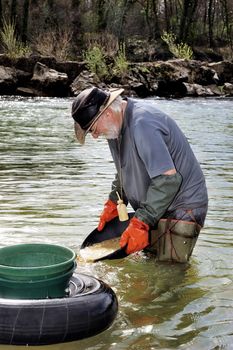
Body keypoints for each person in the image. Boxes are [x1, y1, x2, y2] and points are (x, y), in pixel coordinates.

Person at [71, 86, 208, 263]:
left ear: (106, 114)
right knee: (149, 266)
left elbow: (168, 180)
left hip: (181, 207)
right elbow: (124, 170)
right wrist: (113, 201)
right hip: (155, 207)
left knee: (167, 275)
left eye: (92, 129)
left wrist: (141, 222)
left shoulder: (142, 124)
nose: (95, 136)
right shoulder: (114, 129)